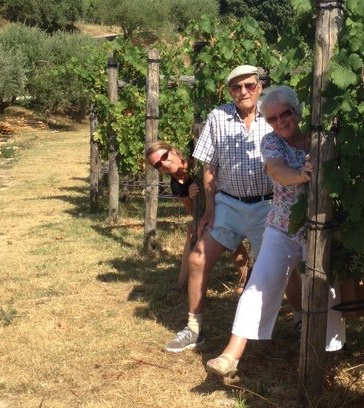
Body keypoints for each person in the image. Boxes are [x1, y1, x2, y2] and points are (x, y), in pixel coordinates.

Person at [205, 85, 345, 378]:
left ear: (297, 112)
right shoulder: (271, 142)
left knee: (323, 291)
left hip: (318, 230)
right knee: (259, 285)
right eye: (272, 118)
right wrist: (302, 176)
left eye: (286, 114)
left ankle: (326, 357)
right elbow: (276, 170)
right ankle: (231, 355)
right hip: (281, 227)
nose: (280, 122)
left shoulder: (322, 139)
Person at [164, 64, 275, 353]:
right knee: (198, 260)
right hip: (229, 205)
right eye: (236, 87)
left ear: (259, 86)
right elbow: (209, 167)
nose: (243, 92)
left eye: (249, 85)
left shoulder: (273, 112)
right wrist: (210, 209)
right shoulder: (218, 117)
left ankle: (300, 322)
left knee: (282, 269)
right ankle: (194, 328)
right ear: (229, 91)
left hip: (269, 206)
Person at [145, 141, 249, 294]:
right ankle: (182, 284)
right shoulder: (177, 184)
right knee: (193, 231)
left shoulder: (196, 157)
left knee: (224, 228)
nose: (164, 164)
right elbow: (195, 213)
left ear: (173, 150)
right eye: (157, 165)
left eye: (165, 156)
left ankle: (244, 279)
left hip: (231, 196)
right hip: (212, 211)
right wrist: (195, 196)